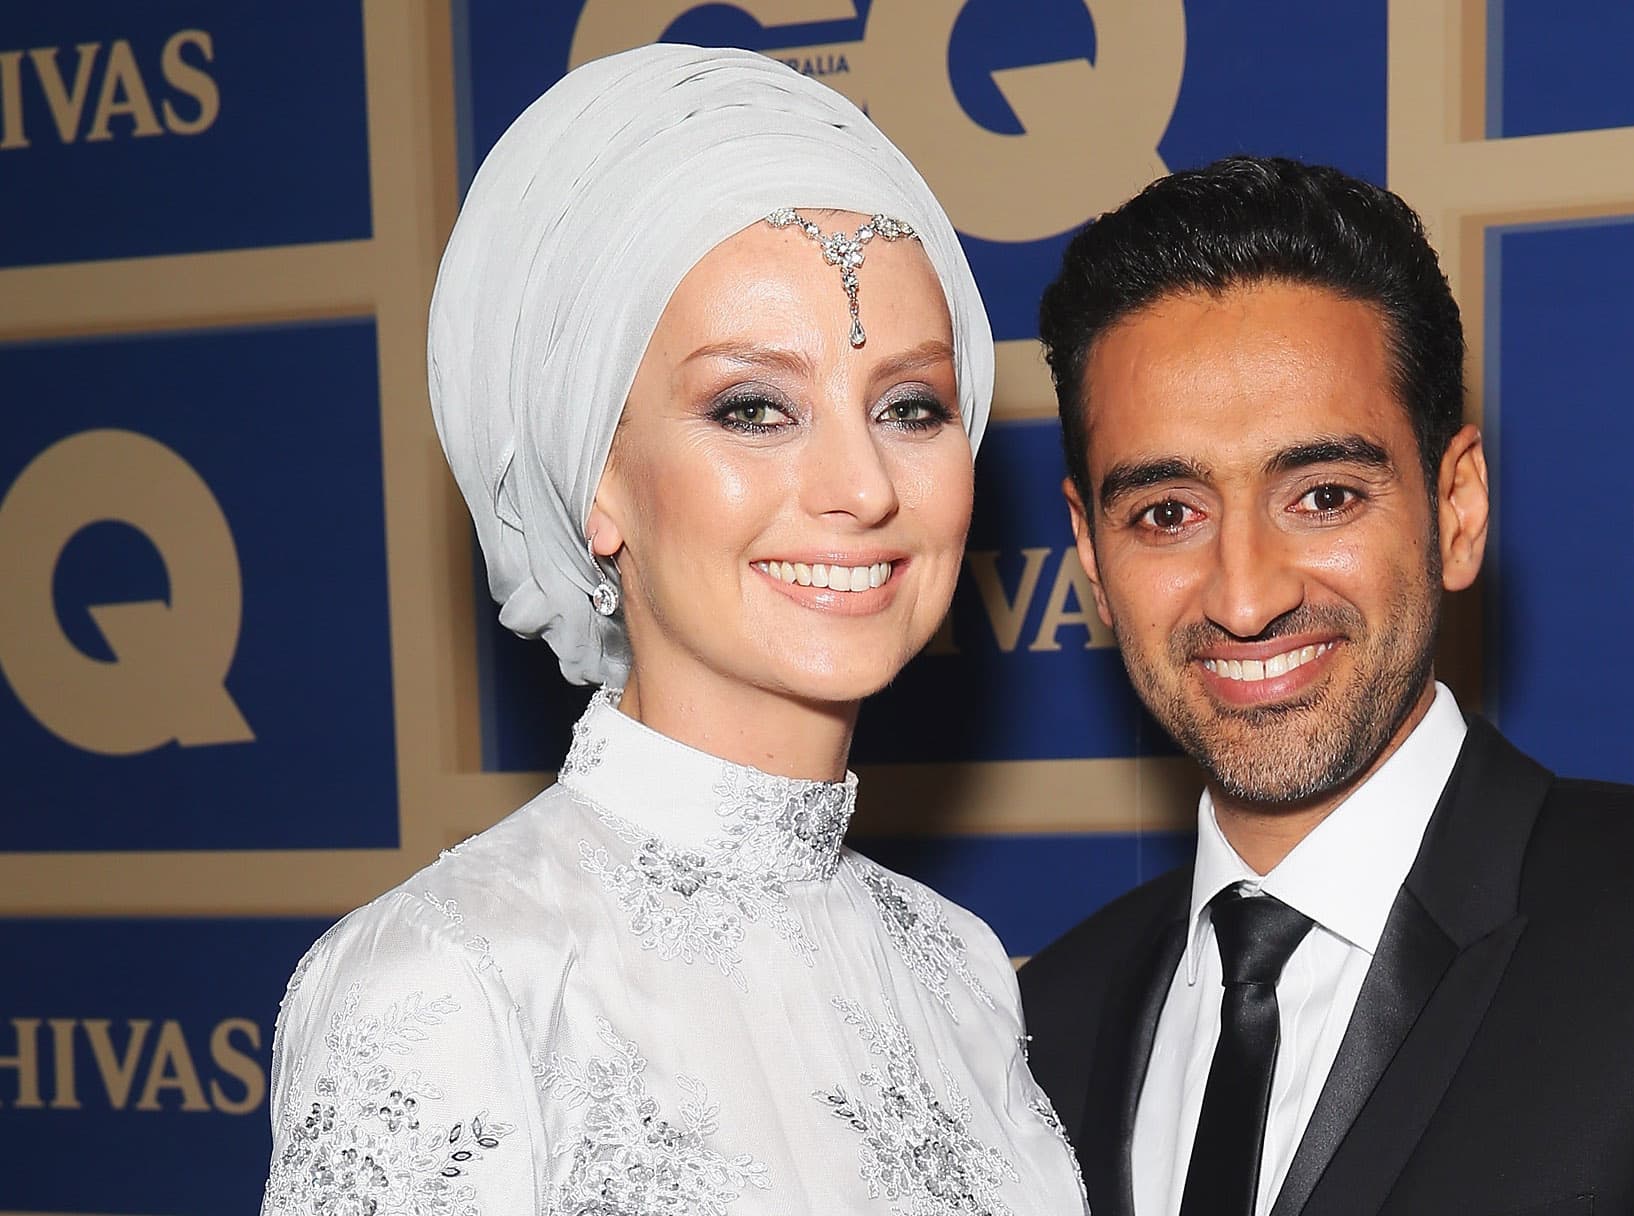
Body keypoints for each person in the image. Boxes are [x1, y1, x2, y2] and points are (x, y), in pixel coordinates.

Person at [1018, 156, 1634, 1216]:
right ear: (1090, 550)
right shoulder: (1046, 1019)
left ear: (1454, 508)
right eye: (1167, 512)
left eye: (1321, 495)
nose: (1244, 593)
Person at [260, 46, 1087, 1216]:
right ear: (594, 476)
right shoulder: (451, 980)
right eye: (753, 408)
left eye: (910, 406)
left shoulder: (955, 968)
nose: (860, 486)